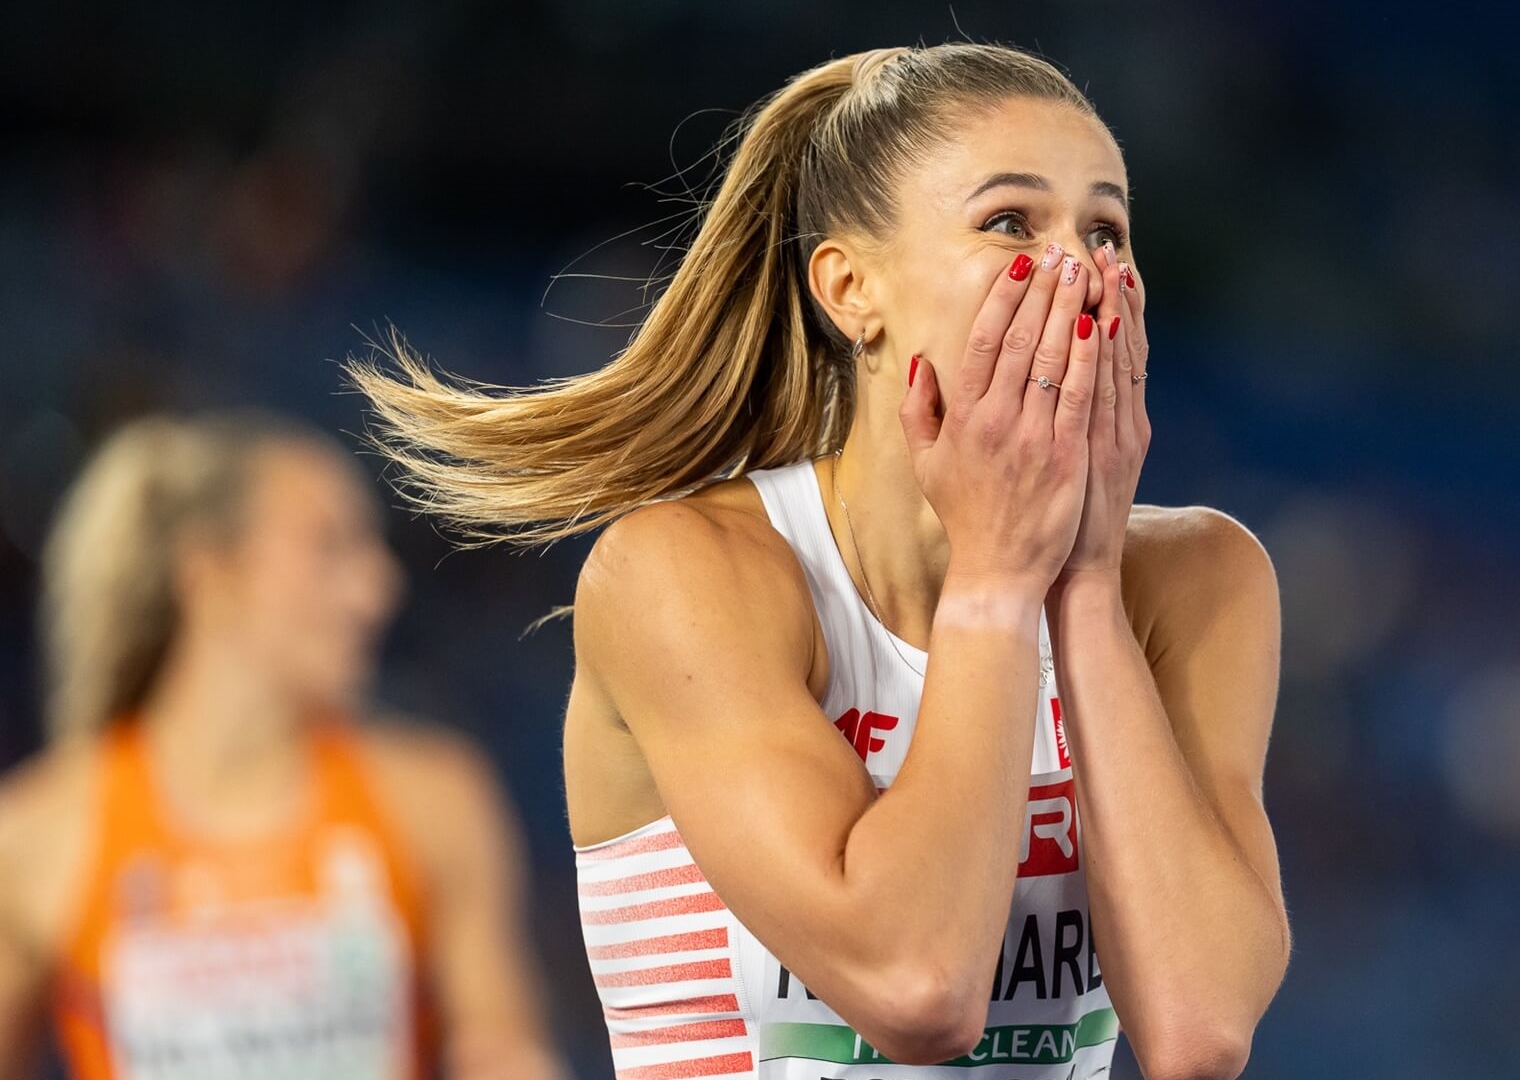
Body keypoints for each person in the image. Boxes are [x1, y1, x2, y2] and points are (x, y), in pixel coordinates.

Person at [351, 42, 1290, 1080]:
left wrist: (1086, 585)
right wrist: (994, 579)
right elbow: (916, 987)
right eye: (1012, 224)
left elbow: (1198, 1029)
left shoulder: (1201, 578)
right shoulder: (687, 573)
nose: (1081, 269)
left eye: (1106, 228)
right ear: (851, 291)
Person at [0, 412, 564, 1080]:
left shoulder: (433, 797)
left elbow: (504, 1046)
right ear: (209, 573)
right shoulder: (41, 834)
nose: (378, 590)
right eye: (330, 547)